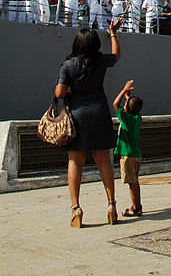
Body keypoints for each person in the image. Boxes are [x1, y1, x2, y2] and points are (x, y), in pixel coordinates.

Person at [55, 17, 124, 228]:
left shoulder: (68, 65)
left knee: (75, 161)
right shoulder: (100, 61)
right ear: (95, 45)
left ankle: (76, 209)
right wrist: (112, 33)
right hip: (100, 112)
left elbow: (59, 93)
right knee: (103, 160)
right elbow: (116, 56)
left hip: (78, 114)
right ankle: (111, 205)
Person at [113, 79, 143, 218]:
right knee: (135, 181)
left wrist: (124, 90)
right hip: (136, 154)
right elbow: (129, 107)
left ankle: (136, 209)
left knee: (131, 183)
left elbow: (115, 104)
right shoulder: (137, 118)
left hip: (127, 155)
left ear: (127, 109)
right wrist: (128, 97)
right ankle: (137, 205)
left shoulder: (126, 119)